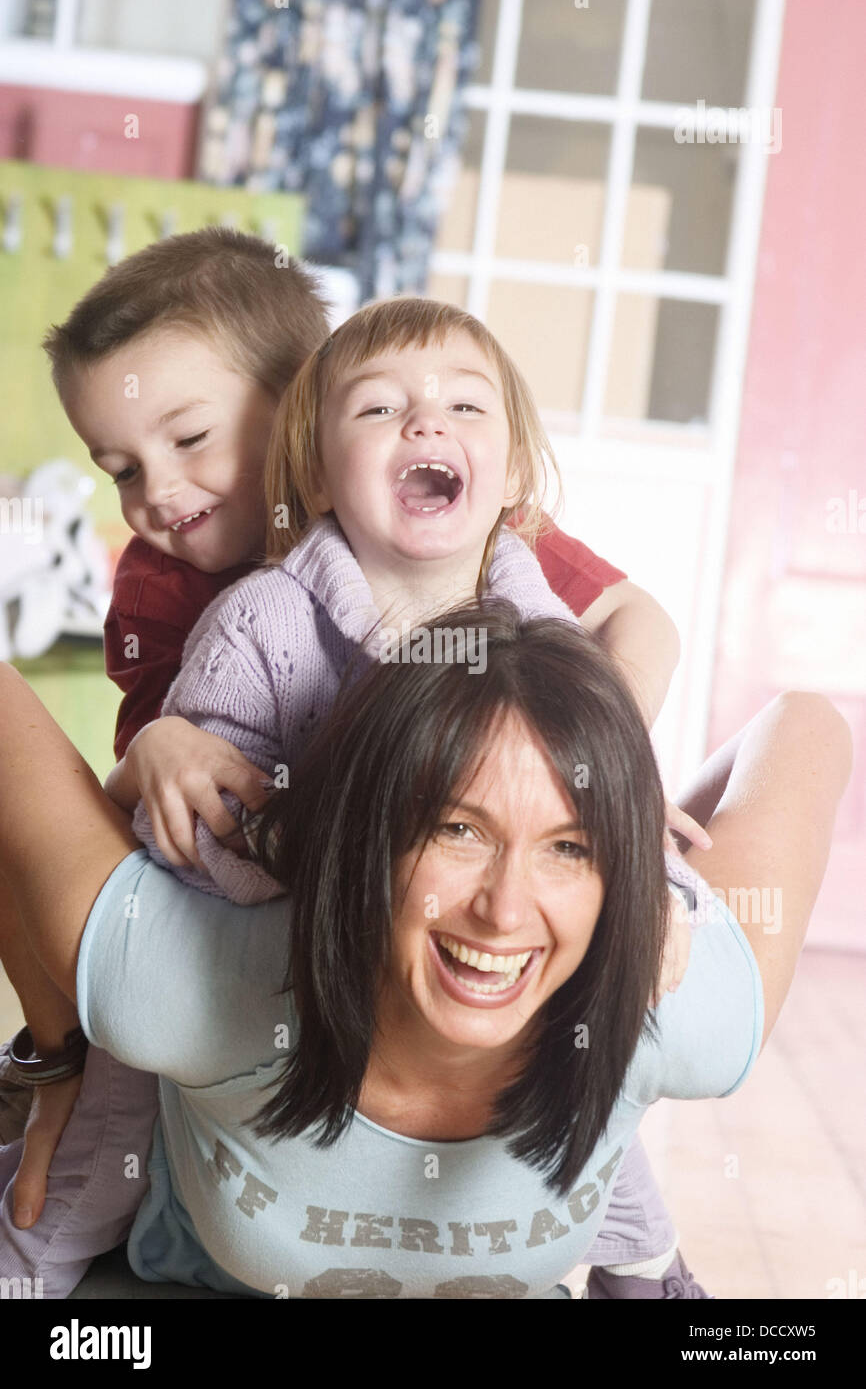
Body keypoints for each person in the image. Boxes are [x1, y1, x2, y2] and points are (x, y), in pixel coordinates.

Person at [0, 236, 673, 1297]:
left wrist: (602, 770)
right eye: (119, 469)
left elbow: (636, 618)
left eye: (189, 438)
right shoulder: (169, 585)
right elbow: (133, 817)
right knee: (125, 1014)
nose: (157, 494)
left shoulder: (464, 542)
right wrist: (158, 746)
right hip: (242, 882)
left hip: (418, 907)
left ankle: (639, 1242)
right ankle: (57, 1127)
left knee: (585, 1015)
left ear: (303, 401)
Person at [0, 603, 851, 1297]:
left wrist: (631, 817)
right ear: (368, 838)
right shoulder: (183, 985)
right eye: (457, 829)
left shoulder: (680, 1007)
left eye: (571, 847)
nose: (504, 910)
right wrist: (57, 1046)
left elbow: (806, 723)